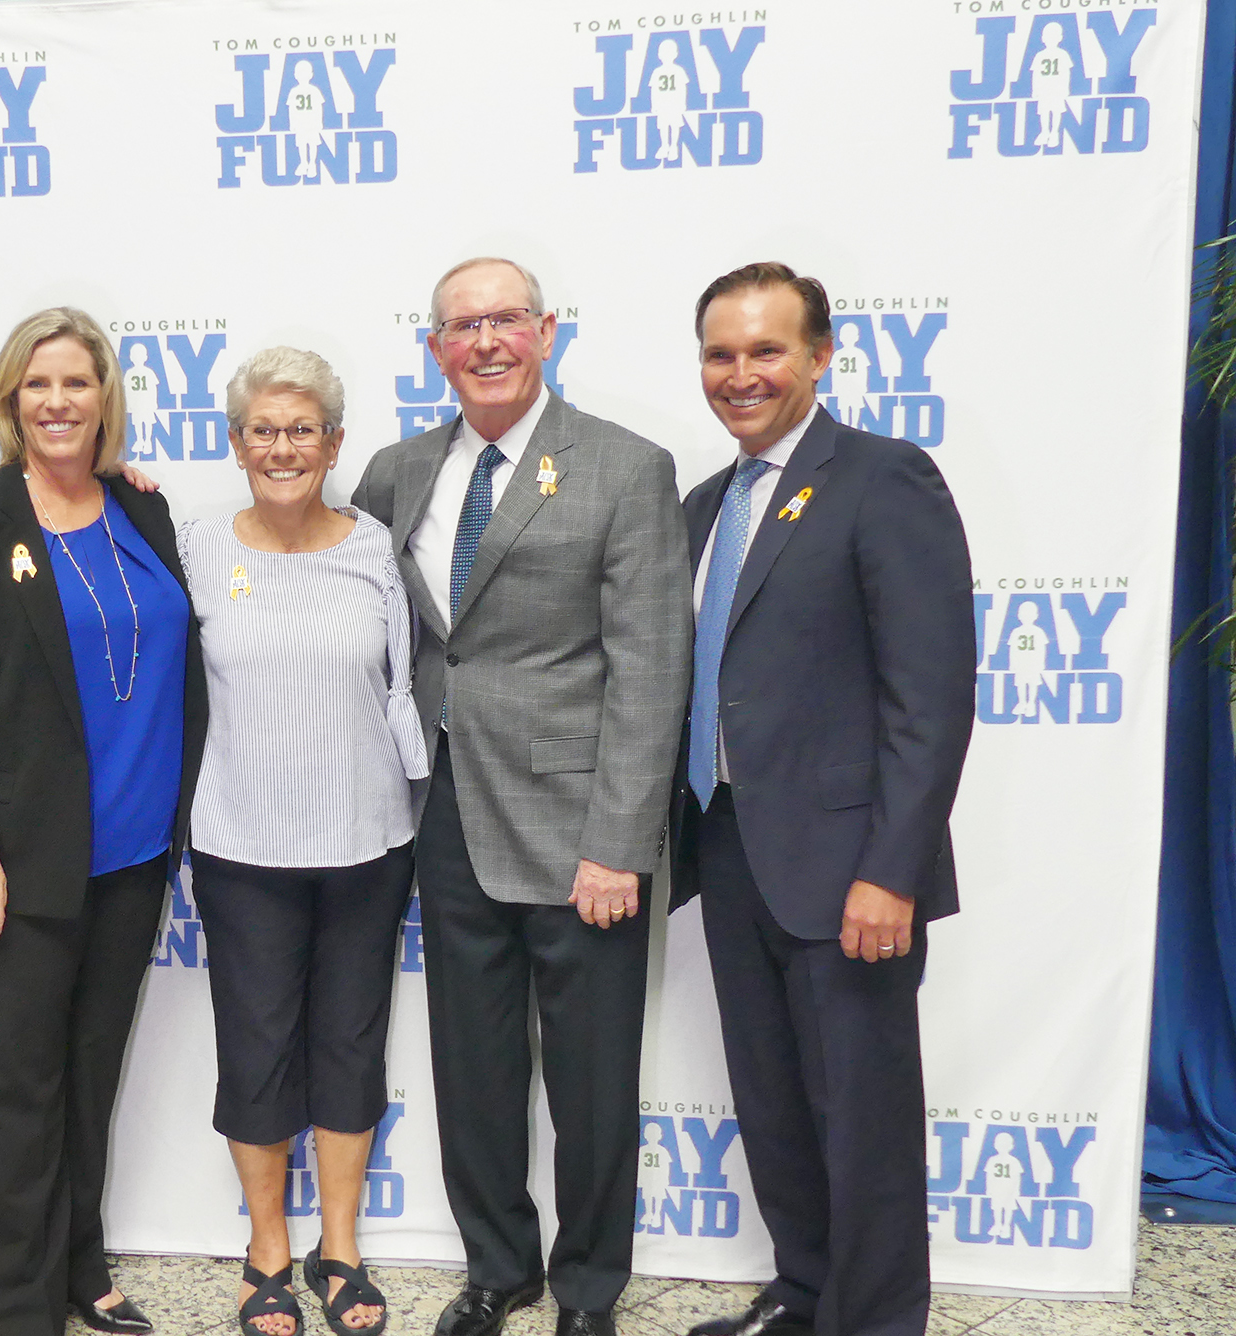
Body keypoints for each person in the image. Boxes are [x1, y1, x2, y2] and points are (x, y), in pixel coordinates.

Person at [352, 257, 692, 1336]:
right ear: (433, 346)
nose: (483, 341)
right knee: (473, 1061)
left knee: (591, 1079)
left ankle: (587, 1286)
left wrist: (618, 843)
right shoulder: (397, 470)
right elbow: (322, 565)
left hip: (579, 825)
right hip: (445, 812)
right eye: (460, 325)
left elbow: (649, 665)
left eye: (503, 320)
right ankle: (498, 1265)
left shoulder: (623, 466)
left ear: (546, 331)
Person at [671, 262, 974, 1336]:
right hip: (728, 848)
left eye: (764, 350)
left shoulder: (882, 478)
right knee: (773, 1100)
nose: (739, 373)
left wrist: (890, 869)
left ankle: (877, 1319)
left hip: (848, 866)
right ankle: (804, 1292)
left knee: (863, 1118)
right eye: (719, 352)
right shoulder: (706, 504)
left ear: (818, 356)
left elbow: (927, 699)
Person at [0, 307, 206, 1336]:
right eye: (37, 385)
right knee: (14, 1094)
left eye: (75, 383)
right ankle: (24, 1304)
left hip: (126, 860)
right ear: (10, 401)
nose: (57, 402)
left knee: (85, 1079)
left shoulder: (140, 509)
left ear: (103, 397)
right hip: (11, 866)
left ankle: (80, 1263)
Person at [178, 347, 429, 1336]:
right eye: (262, 430)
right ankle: (266, 1250)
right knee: (254, 1050)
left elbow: (400, 690)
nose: (282, 447)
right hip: (241, 845)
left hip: (367, 842)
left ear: (333, 442)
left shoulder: (375, 547)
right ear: (235, 442)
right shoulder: (193, 543)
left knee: (348, 1046)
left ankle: (340, 1248)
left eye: (302, 430)